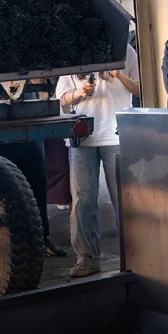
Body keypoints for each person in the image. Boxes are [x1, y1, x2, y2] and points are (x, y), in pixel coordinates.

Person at [55, 47, 140, 279]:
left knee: (125, 199)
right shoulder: (74, 51)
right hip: (83, 135)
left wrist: (119, 75)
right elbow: (61, 97)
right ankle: (86, 257)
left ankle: (135, 255)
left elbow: (141, 88)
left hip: (117, 134)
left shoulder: (125, 50)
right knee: (82, 199)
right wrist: (79, 92)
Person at [0, 80, 67, 258]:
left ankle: (42, 238)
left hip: (26, 119)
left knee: (37, 181)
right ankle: (1, 244)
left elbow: (46, 81)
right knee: (0, 188)